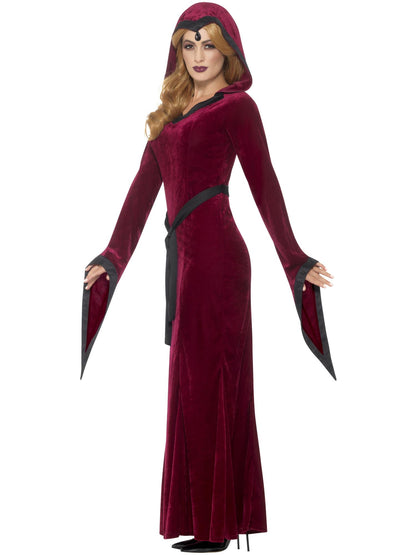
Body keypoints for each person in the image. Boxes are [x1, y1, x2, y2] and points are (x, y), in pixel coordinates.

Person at [81, 2, 335, 552]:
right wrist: (112, 256)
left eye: (209, 44)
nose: (198, 55)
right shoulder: (168, 118)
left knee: (214, 384)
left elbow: (265, 184)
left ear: (228, 51)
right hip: (184, 266)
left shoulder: (238, 109)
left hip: (220, 263)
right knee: (188, 387)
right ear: (178, 52)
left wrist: (294, 259)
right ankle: (203, 521)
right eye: (188, 45)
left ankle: (218, 527)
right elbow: (141, 194)